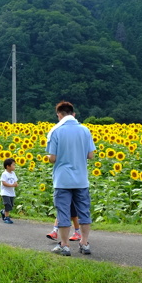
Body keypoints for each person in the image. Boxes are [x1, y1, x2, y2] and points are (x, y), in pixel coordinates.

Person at [44, 101, 96, 256]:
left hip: (63, 180)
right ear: (73, 114)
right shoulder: (85, 130)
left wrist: (48, 157)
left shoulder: (56, 131)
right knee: (84, 212)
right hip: (81, 179)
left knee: (63, 213)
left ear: (59, 114)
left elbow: (53, 158)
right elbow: (91, 155)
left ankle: (65, 245)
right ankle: (84, 244)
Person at [0, 157, 18, 224]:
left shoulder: (13, 173)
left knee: (11, 205)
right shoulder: (4, 174)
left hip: (11, 192)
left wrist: (15, 184)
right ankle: (7, 218)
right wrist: (12, 185)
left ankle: (3, 212)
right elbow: (4, 183)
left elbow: (16, 181)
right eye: (13, 165)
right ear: (8, 166)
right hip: (5, 192)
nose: (14, 166)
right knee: (7, 205)